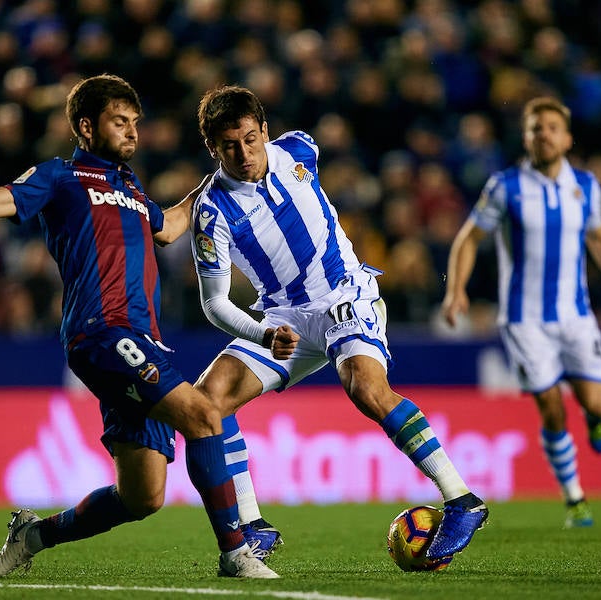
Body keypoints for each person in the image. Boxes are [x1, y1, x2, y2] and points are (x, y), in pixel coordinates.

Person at [0, 74, 278, 579]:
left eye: (135, 122)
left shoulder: (131, 187)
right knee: (203, 414)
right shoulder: (60, 177)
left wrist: (216, 179)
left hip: (144, 341)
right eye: (119, 122)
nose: (132, 131)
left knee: (143, 496)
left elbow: (170, 228)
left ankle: (32, 536)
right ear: (86, 126)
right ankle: (236, 551)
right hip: (101, 332)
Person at [188, 85, 488, 563]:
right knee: (208, 400)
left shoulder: (297, 149)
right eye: (229, 146)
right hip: (282, 319)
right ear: (212, 148)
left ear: (265, 130)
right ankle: (252, 525)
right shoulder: (211, 211)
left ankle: (463, 500)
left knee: (364, 386)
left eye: (250, 139)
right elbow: (214, 303)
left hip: (343, 294)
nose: (243, 154)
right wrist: (262, 333)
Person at [440, 96, 601, 528]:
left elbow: (599, 239)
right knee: (551, 407)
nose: (544, 135)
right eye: (536, 128)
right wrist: (456, 290)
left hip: (576, 316)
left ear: (568, 138)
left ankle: (599, 414)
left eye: (552, 128)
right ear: (526, 137)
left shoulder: (586, 186)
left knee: (594, 402)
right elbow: (468, 238)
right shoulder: (506, 186)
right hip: (524, 320)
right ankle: (575, 498)